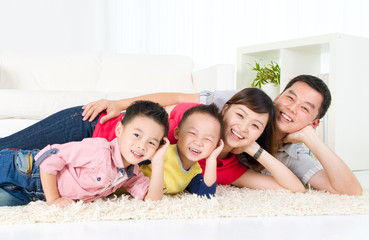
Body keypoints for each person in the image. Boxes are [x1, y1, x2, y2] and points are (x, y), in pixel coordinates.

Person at [81, 74, 362, 195]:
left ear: (313, 121)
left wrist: (310, 139)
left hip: (97, 167)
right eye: (290, 97)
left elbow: (350, 191)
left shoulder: (245, 160)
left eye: (305, 109)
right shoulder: (236, 102)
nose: (291, 108)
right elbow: (170, 102)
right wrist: (120, 103)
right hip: (99, 125)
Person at [0, 88, 305, 193]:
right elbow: (162, 102)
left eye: (255, 125)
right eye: (239, 116)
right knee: (5, 150)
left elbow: (294, 190)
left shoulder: (225, 166)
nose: (242, 127)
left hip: (88, 171)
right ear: (225, 110)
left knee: (18, 174)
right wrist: (120, 104)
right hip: (90, 127)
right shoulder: (191, 115)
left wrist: (252, 146)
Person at [0, 100, 170, 207]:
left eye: (151, 143)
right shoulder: (99, 151)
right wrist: (54, 200)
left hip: (28, 194)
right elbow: (49, 157)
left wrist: (157, 161)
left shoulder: (130, 174)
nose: (141, 146)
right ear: (119, 130)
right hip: (23, 169)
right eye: (137, 135)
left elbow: (152, 201)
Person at [140, 104, 224, 198]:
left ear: (216, 146)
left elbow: (206, 195)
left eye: (208, 139)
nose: (198, 142)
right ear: (177, 133)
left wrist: (212, 158)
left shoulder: (194, 171)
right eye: (192, 133)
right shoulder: (161, 152)